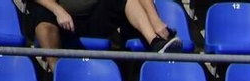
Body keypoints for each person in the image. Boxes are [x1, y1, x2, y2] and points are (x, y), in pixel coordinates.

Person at [31, 0, 181, 53]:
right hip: (62, 21)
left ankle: (155, 41)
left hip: (94, 18)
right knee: (44, 20)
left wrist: (155, 20)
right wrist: (58, 10)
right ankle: (58, 75)